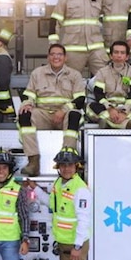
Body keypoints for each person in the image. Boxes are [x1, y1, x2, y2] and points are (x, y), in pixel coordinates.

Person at [25, 148, 92, 260]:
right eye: (63, 165)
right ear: (58, 167)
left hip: (74, 244)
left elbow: (84, 220)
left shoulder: (80, 189)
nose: (66, 169)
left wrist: (78, 246)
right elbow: (51, 203)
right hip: (65, 243)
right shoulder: (61, 184)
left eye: (70, 165)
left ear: (76, 167)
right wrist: (35, 189)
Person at [18, 43, 85, 177]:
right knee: (24, 115)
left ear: (65, 58)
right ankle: (33, 161)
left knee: (74, 115)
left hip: (65, 114)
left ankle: (68, 158)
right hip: (43, 113)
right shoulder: (37, 73)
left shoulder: (74, 75)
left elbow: (80, 99)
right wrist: (27, 103)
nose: (56, 57)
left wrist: (64, 110)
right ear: (48, 57)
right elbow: (29, 93)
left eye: (59, 54)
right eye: (53, 54)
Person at [51, 0, 106, 76]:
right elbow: (55, 21)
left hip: (96, 48)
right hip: (73, 49)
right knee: (70, 80)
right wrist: (54, 45)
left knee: (105, 78)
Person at [87, 40, 131, 129]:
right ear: (111, 56)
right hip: (108, 106)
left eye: (122, 53)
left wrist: (124, 112)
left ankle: (108, 122)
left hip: (126, 106)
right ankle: (127, 124)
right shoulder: (102, 72)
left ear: (127, 57)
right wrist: (110, 109)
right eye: (116, 52)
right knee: (90, 107)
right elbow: (98, 93)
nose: (119, 55)